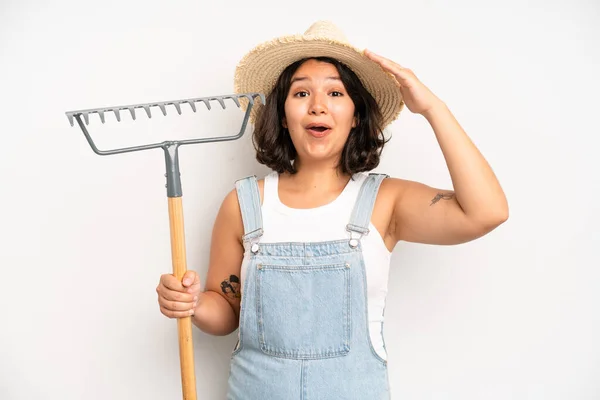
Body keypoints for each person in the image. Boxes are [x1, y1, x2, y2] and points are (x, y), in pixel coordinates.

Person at [156, 21, 508, 399]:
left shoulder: (386, 202)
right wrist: (191, 303)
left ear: (356, 114)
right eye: (301, 92)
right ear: (283, 112)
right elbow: (225, 309)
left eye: (335, 92)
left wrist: (432, 108)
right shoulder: (244, 204)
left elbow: (486, 212)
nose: (318, 105)